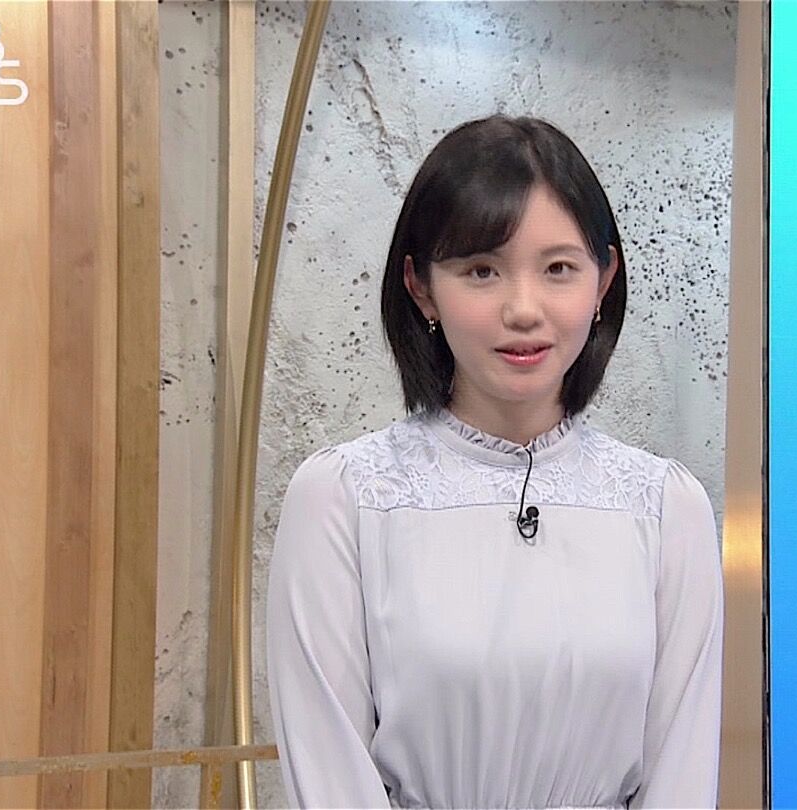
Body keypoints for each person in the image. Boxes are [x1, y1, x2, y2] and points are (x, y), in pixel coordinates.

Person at [265, 114, 724, 810]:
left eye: (559, 269)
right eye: (482, 270)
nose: (523, 310)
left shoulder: (665, 508)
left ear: (604, 281)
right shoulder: (344, 497)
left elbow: (682, 776)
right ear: (421, 286)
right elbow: (329, 773)